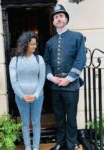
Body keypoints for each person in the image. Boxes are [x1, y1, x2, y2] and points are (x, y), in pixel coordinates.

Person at [44, 4, 86, 150]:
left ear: (66, 19)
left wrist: (68, 78)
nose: (58, 19)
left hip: (71, 85)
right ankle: (60, 143)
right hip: (55, 86)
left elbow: (81, 59)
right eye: (56, 17)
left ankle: (72, 143)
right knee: (59, 117)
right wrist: (51, 77)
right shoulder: (49, 42)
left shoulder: (77, 37)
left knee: (71, 117)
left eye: (61, 16)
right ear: (53, 21)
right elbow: (46, 62)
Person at [9, 31, 45, 150]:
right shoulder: (15, 61)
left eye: (35, 44)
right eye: (32, 44)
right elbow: (14, 81)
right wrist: (22, 95)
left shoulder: (39, 59)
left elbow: (41, 80)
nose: (35, 46)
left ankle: (35, 147)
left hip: (38, 97)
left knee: (36, 122)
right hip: (21, 98)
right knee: (25, 123)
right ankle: (27, 147)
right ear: (25, 44)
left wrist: (35, 94)